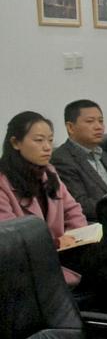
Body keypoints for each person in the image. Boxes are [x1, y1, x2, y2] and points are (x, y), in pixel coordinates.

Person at [0, 111, 88, 285]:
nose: (48, 147)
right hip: (26, 266)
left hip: (62, 254)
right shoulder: (3, 182)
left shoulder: (48, 171)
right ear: (15, 143)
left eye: (50, 140)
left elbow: (72, 210)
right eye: (39, 140)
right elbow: (10, 237)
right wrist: (56, 244)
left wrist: (78, 238)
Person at [51, 99, 107, 221]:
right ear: (70, 127)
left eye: (101, 121)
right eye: (90, 121)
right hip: (97, 223)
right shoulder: (61, 160)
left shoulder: (103, 154)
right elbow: (81, 204)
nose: (99, 127)